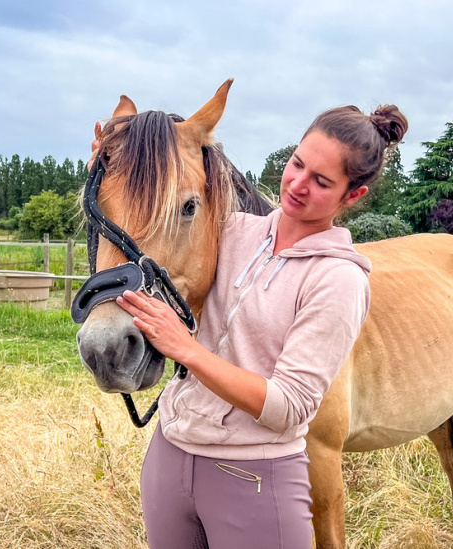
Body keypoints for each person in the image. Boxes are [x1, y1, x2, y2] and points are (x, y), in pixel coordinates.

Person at [92, 103, 407, 548]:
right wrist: (115, 159)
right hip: (171, 456)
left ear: (351, 196)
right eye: (297, 163)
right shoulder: (234, 230)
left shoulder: (338, 279)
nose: (297, 184)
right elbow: (155, 206)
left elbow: (290, 407)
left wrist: (187, 349)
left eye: (321, 181)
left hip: (252, 473)